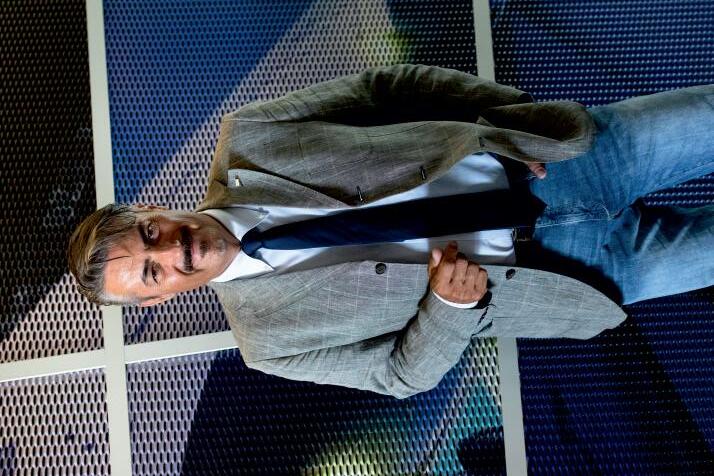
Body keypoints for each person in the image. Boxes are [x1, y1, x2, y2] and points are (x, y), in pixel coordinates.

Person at [68, 65, 713, 398]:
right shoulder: (270, 344)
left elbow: (391, 88)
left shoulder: (251, 137)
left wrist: (511, 123)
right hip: (576, 273)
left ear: (150, 209)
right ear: (158, 299)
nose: (170, 250)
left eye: (147, 234)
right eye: (151, 272)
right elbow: (399, 376)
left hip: (570, 165)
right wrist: (447, 309)